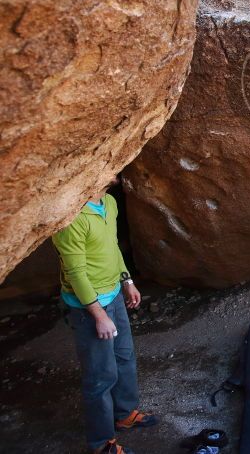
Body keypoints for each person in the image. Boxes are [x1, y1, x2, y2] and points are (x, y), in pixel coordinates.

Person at [52, 178, 157, 454]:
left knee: (124, 357)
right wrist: (98, 315)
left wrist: (127, 281)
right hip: (89, 307)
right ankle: (101, 444)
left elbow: (112, 247)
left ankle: (124, 414)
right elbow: (76, 273)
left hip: (114, 294)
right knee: (100, 376)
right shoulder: (72, 219)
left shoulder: (108, 202)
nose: (116, 169)